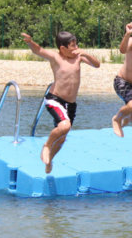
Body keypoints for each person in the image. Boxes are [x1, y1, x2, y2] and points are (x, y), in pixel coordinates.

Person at [21, 32, 101, 173]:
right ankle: (46, 146)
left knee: (62, 138)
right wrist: (29, 42)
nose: (76, 48)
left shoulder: (79, 57)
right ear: (63, 48)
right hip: (55, 99)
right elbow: (38, 50)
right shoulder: (56, 57)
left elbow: (97, 65)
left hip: (70, 104)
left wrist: (85, 54)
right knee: (64, 126)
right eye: (72, 46)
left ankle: (49, 159)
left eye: (76, 44)